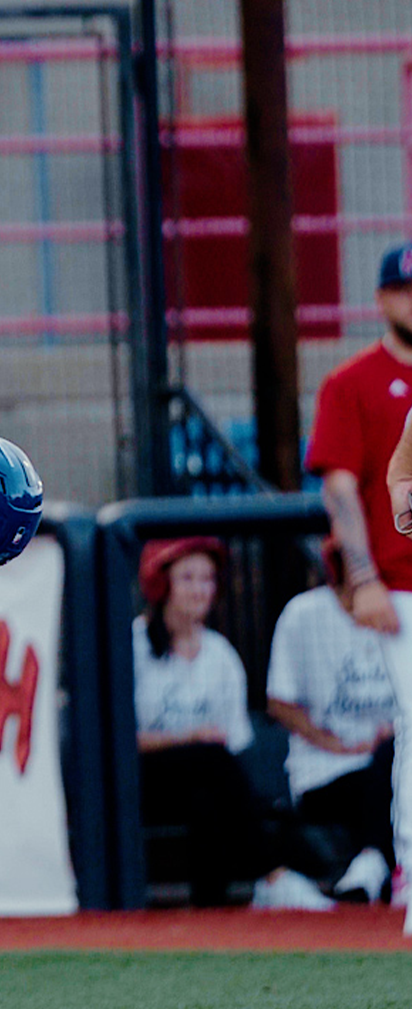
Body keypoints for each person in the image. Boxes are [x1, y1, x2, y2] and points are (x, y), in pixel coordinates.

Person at [131, 537, 331, 912]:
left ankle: (211, 917)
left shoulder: (221, 655)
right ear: (161, 584)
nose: (200, 589)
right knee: (210, 760)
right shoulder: (133, 645)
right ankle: (272, 875)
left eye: (207, 579)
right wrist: (188, 738)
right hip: (142, 781)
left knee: (208, 795)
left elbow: (235, 746)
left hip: (202, 783)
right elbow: (117, 741)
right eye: (187, 578)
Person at [266, 540, 402, 902]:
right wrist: (334, 743)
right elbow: (279, 703)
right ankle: (382, 867)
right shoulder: (303, 613)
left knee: (396, 751)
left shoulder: (403, 608)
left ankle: (372, 867)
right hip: (325, 773)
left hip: (394, 766)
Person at [306, 241, 412, 634]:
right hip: (397, 592)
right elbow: (339, 487)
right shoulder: (350, 383)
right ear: (381, 299)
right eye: (403, 290)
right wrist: (364, 579)